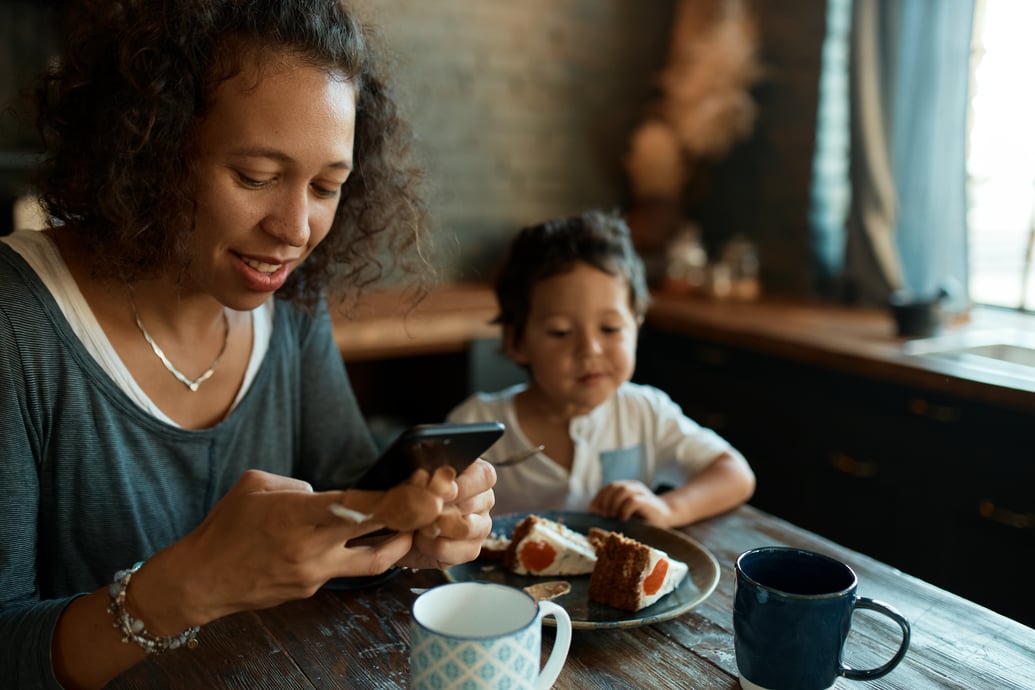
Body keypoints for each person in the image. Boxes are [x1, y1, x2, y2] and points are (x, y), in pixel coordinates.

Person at [0, 1, 496, 688]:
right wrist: (188, 586)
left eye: (327, 186)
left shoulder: (288, 302)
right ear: (146, 146)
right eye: (256, 177)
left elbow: (351, 500)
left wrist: (414, 532)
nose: (295, 229)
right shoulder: (15, 323)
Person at [447, 209, 753, 525]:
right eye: (561, 333)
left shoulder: (646, 413)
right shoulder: (476, 424)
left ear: (636, 325)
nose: (590, 349)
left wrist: (670, 508)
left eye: (609, 329)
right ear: (517, 342)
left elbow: (735, 473)